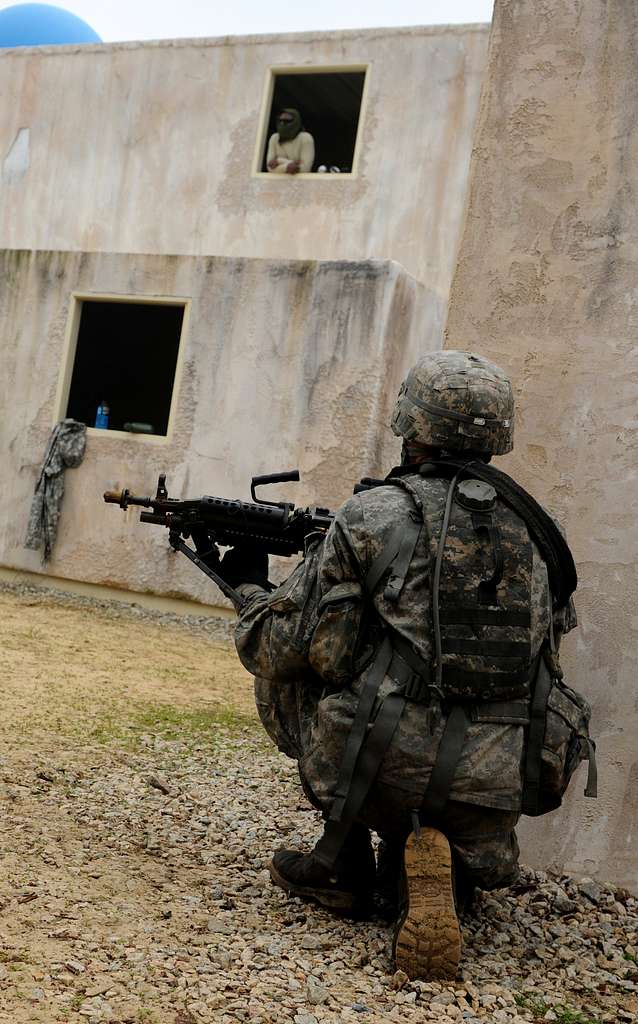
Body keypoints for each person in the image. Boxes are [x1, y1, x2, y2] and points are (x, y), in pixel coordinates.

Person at [204, 351, 591, 981]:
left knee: (294, 678)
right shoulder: (545, 533)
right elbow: (546, 661)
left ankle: (345, 864)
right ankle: (449, 876)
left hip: (377, 765)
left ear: (411, 425)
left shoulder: (376, 514)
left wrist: (249, 591)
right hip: (500, 777)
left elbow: (289, 648)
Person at [266, 108, 315, 174]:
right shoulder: (274, 138)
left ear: (296, 122)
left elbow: (305, 169)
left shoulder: (305, 138)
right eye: (280, 120)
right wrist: (290, 164)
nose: (282, 123)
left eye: (287, 121)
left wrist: (278, 161)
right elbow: (270, 167)